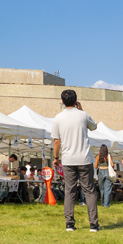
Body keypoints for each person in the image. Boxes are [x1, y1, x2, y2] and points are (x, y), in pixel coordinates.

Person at [52, 89, 100, 232]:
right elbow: (94, 126)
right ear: (76, 100)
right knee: (89, 191)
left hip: (68, 160)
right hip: (84, 158)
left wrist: (55, 158)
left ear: (62, 102)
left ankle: (69, 224)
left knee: (69, 191)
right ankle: (93, 225)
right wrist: (82, 109)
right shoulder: (83, 115)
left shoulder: (58, 118)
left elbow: (56, 142)